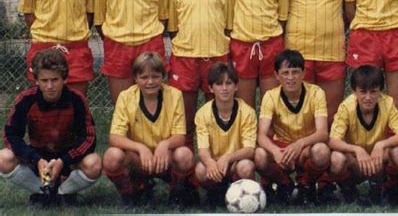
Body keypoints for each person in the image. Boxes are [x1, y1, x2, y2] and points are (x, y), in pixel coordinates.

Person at [0, 49, 101, 206]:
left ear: (64, 79)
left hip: (67, 157)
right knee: (3, 158)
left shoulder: (76, 99)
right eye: (44, 80)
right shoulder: (26, 100)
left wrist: (63, 161)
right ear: (37, 81)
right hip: (37, 155)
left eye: (55, 80)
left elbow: (88, 138)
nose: (49, 86)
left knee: (94, 163)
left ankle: (64, 192)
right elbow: (11, 136)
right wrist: (35, 159)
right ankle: (43, 192)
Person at [168, 0, 235, 149]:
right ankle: (184, 171)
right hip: (184, 58)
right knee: (184, 120)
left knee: (216, 117)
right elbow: (173, 28)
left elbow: (229, 25)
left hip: (216, 56)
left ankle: (216, 169)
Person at [102, 52, 197, 207]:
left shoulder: (175, 95)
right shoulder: (126, 97)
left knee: (184, 154)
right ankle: (132, 192)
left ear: (163, 76)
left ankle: (177, 193)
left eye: (155, 76)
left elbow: (180, 136)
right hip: (139, 160)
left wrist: (164, 145)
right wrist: (140, 148)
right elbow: (114, 137)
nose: (150, 82)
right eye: (144, 77)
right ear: (135, 78)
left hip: (165, 158)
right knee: (112, 156)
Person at [255, 49, 330, 205]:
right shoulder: (270, 96)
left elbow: (323, 133)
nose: (290, 78)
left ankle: (306, 185)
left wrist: (301, 143)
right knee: (260, 155)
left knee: (321, 151)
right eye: (285, 73)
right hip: (282, 149)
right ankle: (285, 185)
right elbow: (261, 135)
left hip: (305, 148)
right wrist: (275, 151)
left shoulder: (316, 93)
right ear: (277, 75)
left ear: (303, 73)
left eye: (295, 72)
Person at [328, 65, 398, 206]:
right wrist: (356, 150)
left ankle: (389, 189)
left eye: (373, 92)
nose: (368, 97)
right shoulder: (346, 107)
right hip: (355, 162)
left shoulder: (387, 103)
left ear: (380, 91)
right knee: (336, 158)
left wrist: (382, 144)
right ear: (354, 91)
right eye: (363, 92)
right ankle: (349, 191)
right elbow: (333, 141)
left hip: (378, 160)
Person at [194, 62, 257, 205]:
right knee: (200, 170)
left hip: (236, 162)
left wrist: (228, 158)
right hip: (215, 164)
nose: (224, 88)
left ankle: (243, 195)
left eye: (229, 83)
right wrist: (210, 162)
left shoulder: (247, 112)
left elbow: (249, 150)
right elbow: (202, 150)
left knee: (246, 166)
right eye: (219, 84)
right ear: (210, 88)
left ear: (236, 86)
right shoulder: (202, 113)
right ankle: (216, 191)